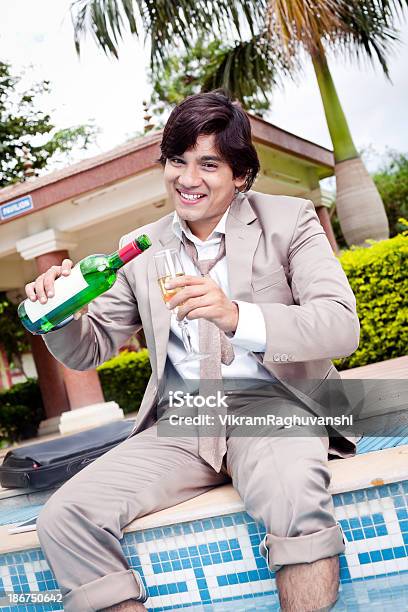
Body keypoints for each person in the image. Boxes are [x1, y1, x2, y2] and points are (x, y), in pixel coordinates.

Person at [27, 90, 360, 612]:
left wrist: (236, 316)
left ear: (241, 175)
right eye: (177, 160)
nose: (187, 178)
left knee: (292, 495)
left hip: (273, 407)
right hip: (184, 422)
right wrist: (61, 314)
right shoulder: (138, 247)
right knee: (64, 517)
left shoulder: (289, 219)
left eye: (208, 164)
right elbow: (89, 350)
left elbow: (340, 326)